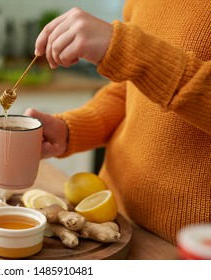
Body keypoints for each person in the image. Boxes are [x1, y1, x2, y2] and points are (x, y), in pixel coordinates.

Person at [25, 0, 211, 245]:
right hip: (112, 224)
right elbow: (129, 90)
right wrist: (69, 129)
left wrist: (129, 50)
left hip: (189, 248)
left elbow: (140, 63)